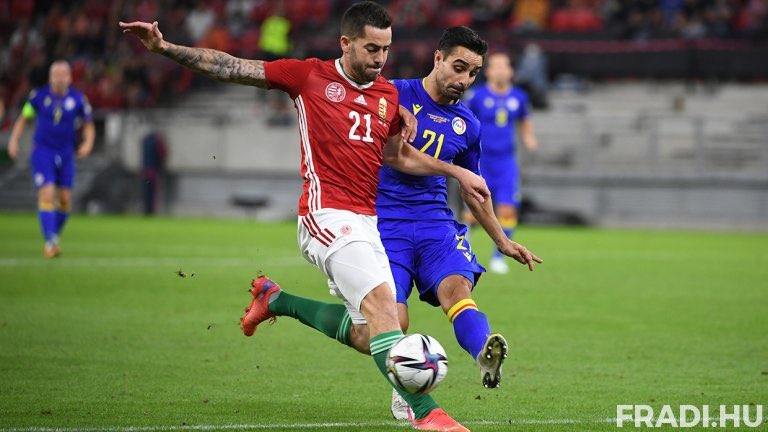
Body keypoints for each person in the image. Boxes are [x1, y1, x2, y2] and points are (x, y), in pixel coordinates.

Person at [120, 2, 502, 431]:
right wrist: (164, 47)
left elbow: (397, 157)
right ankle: (427, 414)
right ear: (346, 43)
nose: (379, 59)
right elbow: (231, 66)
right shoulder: (309, 77)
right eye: (371, 48)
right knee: (384, 310)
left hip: (368, 223)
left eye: (386, 50)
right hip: (325, 214)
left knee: (369, 333)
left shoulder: (388, 96)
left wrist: (453, 169)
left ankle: (275, 299)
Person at [377, 27, 542, 420]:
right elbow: (391, 156)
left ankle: (484, 352)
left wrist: (501, 240)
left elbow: (474, 190)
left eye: (473, 72)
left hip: (436, 223)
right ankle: (404, 388)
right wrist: (455, 171)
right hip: (385, 222)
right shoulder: (394, 94)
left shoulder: (468, 124)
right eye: (458, 67)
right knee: (393, 316)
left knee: (457, 288)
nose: (465, 80)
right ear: (437, 58)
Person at [7, 60, 95, 257]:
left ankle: (53, 235)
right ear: (50, 77)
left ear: (70, 77)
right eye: (56, 74)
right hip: (43, 152)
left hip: (66, 153)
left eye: (64, 74)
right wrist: (14, 140)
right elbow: (24, 118)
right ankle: (50, 242)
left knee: (64, 200)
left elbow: (89, 124)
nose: (60, 77)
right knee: (47, 194)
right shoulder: (38, 97)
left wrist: (88, 143)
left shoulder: (79, 99)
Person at [463, 52, 539, 274]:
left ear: (511, 71)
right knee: (473, 213)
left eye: (504, 66)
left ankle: (498, 257)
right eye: (496, 66)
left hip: (506, 163)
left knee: (508, 209)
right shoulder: (476, 96)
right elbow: (465, 121)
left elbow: (525, 121)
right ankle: (462, 252)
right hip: (481, 161)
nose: (500, 70)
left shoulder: (520, 97)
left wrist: (529, 137)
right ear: (488, 72)